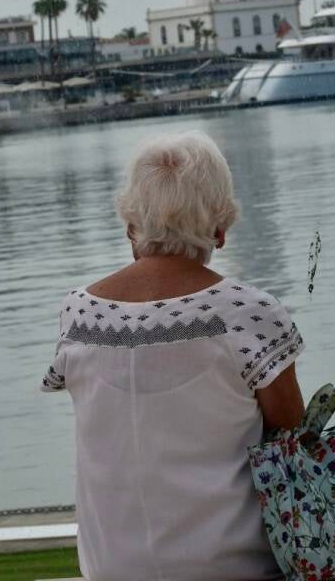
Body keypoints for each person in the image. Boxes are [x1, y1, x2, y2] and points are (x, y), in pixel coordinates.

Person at [42, 130, 305, 581]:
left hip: (112, 569)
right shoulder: (248, 313)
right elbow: (293, 433)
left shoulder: (79, 313)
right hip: (234, 567)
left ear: (130, 224)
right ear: (220, 228)